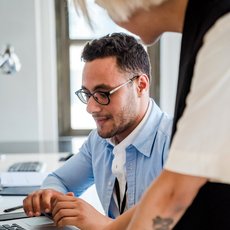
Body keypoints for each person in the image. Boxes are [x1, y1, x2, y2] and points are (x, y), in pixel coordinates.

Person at [74, 0, 230, 229]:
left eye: (106, 7)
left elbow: (174, 194)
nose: (113, 18)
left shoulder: (222, 31)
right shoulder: (205, 28)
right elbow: (170, 188)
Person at [23, 32, 172, 229]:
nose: (91, 108)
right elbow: (58, 180)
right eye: (88, 94)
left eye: (103, 93)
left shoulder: (174, 141)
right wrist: (50, 196)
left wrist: (103, 225)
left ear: (141, 85)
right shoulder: (100, 141)